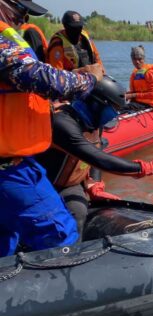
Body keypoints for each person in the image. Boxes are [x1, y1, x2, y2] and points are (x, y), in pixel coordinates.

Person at [1, 0, 104, 257]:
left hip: (15, 160)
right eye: (19, 13)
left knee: (6, 236)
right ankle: (66, 292)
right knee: (60, 236)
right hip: (7, 169)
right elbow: (40, 76)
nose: (22, 21)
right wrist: (88, 79)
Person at [34, 76, 153, 235]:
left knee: (78, 213)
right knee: (56, 219)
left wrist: (94, 185)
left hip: (69, 185)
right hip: (43, 184)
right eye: (113, 109)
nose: (114, 115)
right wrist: (143, 168)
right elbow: (95, 157)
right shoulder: (62, 123)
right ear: (96, 104)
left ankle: (76, 252)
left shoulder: (94, 124)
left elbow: (98, 150)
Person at [125, 45, 153, 110]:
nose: (137, 62)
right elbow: (136, 91)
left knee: (123, 108)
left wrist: (133, 95)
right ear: (131, 60)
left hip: (150, 104)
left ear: (144, 59)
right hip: (140, 102)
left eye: (139, 59)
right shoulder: (135, 73)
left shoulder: (149, 73)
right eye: (134, 59)